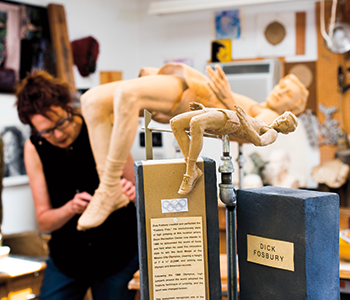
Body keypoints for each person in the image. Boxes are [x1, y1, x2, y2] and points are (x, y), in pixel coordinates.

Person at [77, 62, 308, 230]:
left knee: (127, 95)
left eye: (287, 93)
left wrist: (228, 99)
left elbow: (252, 134)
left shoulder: (269, 117)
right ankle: (108, 187)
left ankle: (108, 187)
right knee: (91, 100)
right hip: (196, 88)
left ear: (294, 109)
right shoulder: (258, 105)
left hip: (197, 93)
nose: (279, 90)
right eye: (281, 85)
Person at [15, 71, 138, 300]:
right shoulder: (35, 148)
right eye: (46, 131)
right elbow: (45, 221)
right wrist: (71, 208)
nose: (57, 134)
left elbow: (138, 192)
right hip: (67, 259)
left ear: (69, 108)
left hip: (117, 257)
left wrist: (132, 194)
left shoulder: (101, 128)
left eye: (61, 123)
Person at [170, 102, 298, 194]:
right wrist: (206, 109)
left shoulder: (272, 132)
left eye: (285, 123)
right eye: (283, 117)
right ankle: (192, 169)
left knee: (196, 123)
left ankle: (190, 171)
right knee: (175, 123)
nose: (281, 121)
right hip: (225, 114)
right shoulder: (264, 123)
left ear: (286, 131)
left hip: (232, 122)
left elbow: (258, 141)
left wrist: (244, 122)